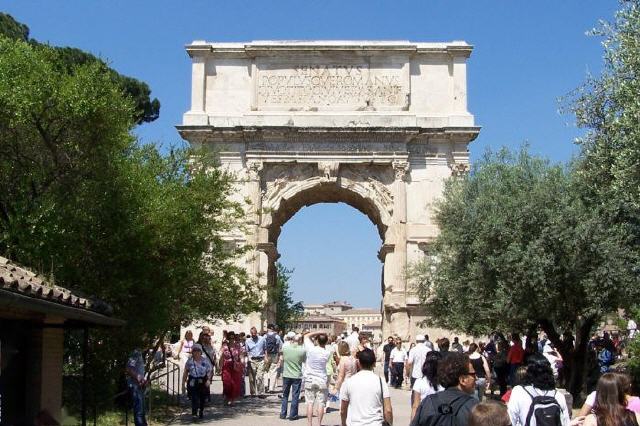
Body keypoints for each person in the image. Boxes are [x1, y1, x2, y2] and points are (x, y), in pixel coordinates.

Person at [411, 352, 478, 426]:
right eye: (473, 375)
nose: (476, 378)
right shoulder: (474, 408)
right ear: (462, 380)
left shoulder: (428, 402)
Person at [507, 354, 570, 426]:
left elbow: (511, 420)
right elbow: (565, 422)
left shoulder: (519, 391)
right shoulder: (558, 396)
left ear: (528, 371)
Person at [340, 348, 393, 426]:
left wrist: (344, 423)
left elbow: (343, 410)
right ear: (374, 364)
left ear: (358, 363)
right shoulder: (380, 381)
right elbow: (388, 410)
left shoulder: (349, 382)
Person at [304, 330, 333, 426]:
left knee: (309, 403)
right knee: (321, 403)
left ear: (316, 340)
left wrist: (318, 331)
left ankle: (309, 423)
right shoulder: (327, 353)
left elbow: (306, 336)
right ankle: (319, 423)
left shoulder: (311, 349)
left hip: (310, 378)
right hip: (321, 379)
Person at [280, 331, 306, 420]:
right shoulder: (302, 350)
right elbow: (304, 360)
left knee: (285, 395)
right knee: (295, 396)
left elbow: (282, 357)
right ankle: (293, 415)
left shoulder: (285, 348)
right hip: (296, 375)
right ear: (299, 341)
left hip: (286, 374)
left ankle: (283, 414)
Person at [410, 351, 444, 421]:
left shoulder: (419, 382)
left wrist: (412, 422)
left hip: (424, 417)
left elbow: (416, 406)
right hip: (441, 418)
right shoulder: (445, 383)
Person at [182, 344, 212, 419]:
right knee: (194, 397)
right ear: (192, 352)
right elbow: (186, 371)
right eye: (194, 350)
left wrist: (208, 380)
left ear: (201, 352)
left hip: (202, 380)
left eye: (198, 350)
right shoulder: (189, 361)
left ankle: (201, 410)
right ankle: (194, 413)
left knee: (202, 397)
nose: (196, 352)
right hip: (193, 380)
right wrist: (183, 383)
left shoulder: (205, 361)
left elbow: (209, 371)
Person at [219, 331, 246, 406]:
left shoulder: (238, 346)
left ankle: (232, 399)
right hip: (227, 366)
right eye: (230, 338)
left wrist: (242, 364)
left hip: (235, 366)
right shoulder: (224, 346)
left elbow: (241, 356)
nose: (232, 339)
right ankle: (227, 397)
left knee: (235, 383)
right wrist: (220, 367)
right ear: (228, 338)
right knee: (227, 383)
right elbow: (221, 357)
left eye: (233, 338)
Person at [126, 348, 148, 426]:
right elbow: (129, 368)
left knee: (142, 410)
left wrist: (143, 379)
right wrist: (138, 378)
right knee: (139, 410)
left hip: (139, 385)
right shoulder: (136, 352)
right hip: (135, 385)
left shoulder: (139, 352)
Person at [245, 326, 266, 397]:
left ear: (256, 333)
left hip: (260, 359)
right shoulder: (248, 341)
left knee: (260, 376)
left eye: (254, 333)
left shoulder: (262, 339)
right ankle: (253, 393)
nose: (253, 334)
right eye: (252, 333)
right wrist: (248, 359)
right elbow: (247, 351)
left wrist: (266, 358)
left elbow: (265, 349)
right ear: (250, 333)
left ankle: (261, 393)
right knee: (251, 378)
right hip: (252, 360)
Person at [264, 324, 283, 393]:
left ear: (268, 328)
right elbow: (281, 346)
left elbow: (263, 346)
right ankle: (271, 388)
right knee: (273, 371)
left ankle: (266, 384)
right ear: (273, 329)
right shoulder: (277, 336)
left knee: (265, 370)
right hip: (275, 355)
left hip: (266, 355)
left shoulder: (265, 336)